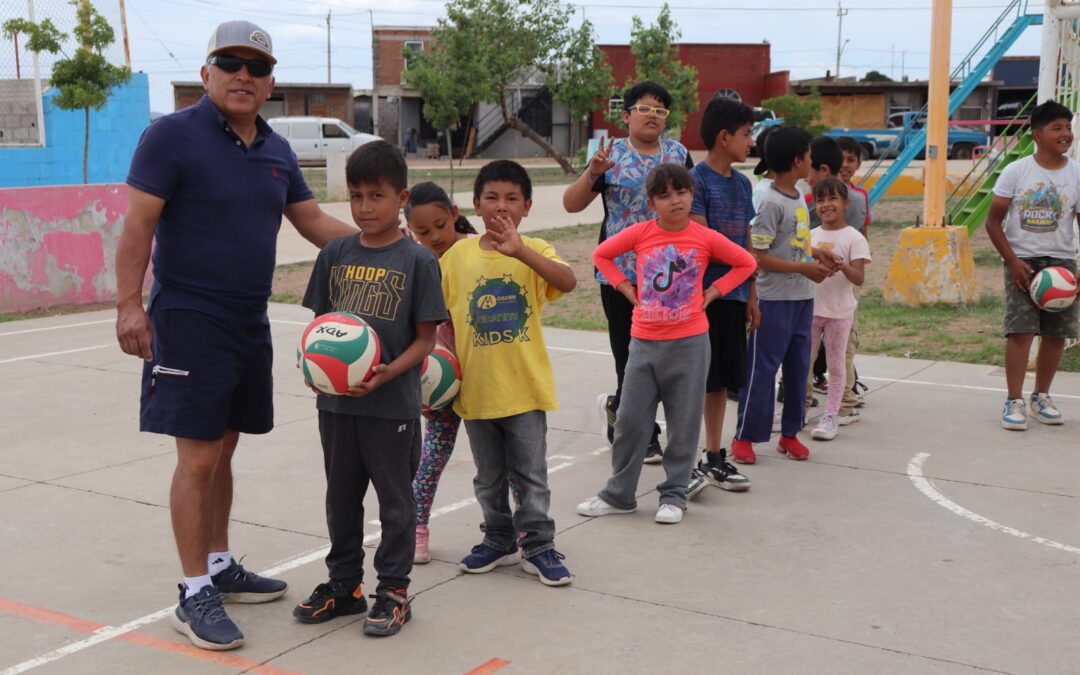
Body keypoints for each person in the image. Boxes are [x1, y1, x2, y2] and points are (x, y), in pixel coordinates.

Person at [115, 20, 358, 651]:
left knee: (224, 451)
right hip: (188, 320)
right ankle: (193, 590)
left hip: (249, 319)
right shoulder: (170, 136)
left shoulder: (276, 150)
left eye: (256, 66)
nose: (243, 75)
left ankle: (219, 565)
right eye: (230, 62)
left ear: (271, 81)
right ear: (206, 73)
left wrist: (387, 244)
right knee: (196, 458)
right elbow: (138, 225)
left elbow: (310, 221)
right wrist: (128, 305)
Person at [293, 142, 447, 637]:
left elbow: (426, 340)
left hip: (391, 406)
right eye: (356, 196)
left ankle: (394, 592)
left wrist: (386, 370)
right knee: (341, 498)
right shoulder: (335, 252)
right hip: (336, 406)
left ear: (401, 197)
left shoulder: (418, 260)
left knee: (395, 501)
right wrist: (313, 368)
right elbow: (321, 329)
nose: (364, 207)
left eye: (376, 196)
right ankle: (345, 587)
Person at [577, 164, 756, 524]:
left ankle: (674, 495)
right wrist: (624, 287)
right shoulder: (640, 233)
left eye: (682, 193)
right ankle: (619, 494)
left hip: (690, 343)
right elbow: (601, 255)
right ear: (652, 202)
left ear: (691, 195)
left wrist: (713, 292)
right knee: (629, 422)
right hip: (643, 342)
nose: (675, 201)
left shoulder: (704, 236)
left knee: (684, 423)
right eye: (665, 195)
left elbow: (746, 262)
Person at [442, 160, 577, 586]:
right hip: (477, 391)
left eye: (512, 198)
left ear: (528, 206)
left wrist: (521, 252)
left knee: (531, 475)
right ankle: (498, 538)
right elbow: (436, 312)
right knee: (488, 476)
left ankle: (538, 544)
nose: (501, 206)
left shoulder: (535, 249)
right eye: (492, 197)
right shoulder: (457, 256)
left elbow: (568, 282)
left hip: (525, 390)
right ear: (475, 204)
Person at [562, 80, 692, 465]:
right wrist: (592, 173)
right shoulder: (611, 154)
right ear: (627, 115)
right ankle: (645, 434)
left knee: (665, 357)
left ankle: (620, 406)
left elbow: (690, 204)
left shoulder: (678, 153)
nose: (653, 116)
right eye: (645, 108)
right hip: (621, 275)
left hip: (670, 272)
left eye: (660, 110)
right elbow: (572, 205)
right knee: (631, 357)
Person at [402, 182, 524, 564]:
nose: (434, 237)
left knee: (512, 457)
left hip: (490, 370)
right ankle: (415, 528)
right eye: (423, 232)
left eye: (440, 225)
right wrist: (422, 385)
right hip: (443, 377)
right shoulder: (417, 261)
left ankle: (524, 526)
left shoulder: (481, 249)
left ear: (455, 213)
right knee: (434, 453)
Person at [731, 126, 838, 464]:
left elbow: (795, 245)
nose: (812, 161)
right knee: (761, 371)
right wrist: (803, 269)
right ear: (796, 160)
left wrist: (817, 254)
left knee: (797, 371)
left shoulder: (799, 199)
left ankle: (790, 433)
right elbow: (758, 256)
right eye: (809, 155)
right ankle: (745, 437)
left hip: (802, 300)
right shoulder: (770, 202)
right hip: (773, 301)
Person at [985, 100, 1080, 431]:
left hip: (1063, 263)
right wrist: (1012, 262)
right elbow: (993, 222)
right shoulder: (1017, 171)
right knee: (1020, 331)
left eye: (1068, 127)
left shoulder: (1077, 173)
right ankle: (1014, 399)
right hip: (1023, 260)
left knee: (1056, 335)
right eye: (1057, 128)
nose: (1065, 134)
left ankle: (1042, 395)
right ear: (1036, 134)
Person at [687, 97, 757, 493]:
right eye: (747, 134)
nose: (752, 142)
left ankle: (714, 457)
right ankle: (687, 459)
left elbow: (745, 241)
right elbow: (704, 244)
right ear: (724, 137)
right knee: (697, 381)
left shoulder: (744, 183)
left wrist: (752, 295)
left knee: (722, 384)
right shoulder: (695, 181)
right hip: (703, 299)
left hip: (732, 298)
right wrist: (735, 275)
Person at [805, 178, 871, 441]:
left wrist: (841, 265)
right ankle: (796, 410)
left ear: (845, 203)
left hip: (840, 313)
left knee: (835, 365)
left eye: (832, 199)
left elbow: (859, 278)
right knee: (802, 364)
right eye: (820, 200)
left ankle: (831, 414)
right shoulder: (811, 236)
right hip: (810, 311)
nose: (826, 205)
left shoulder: (854, 237)